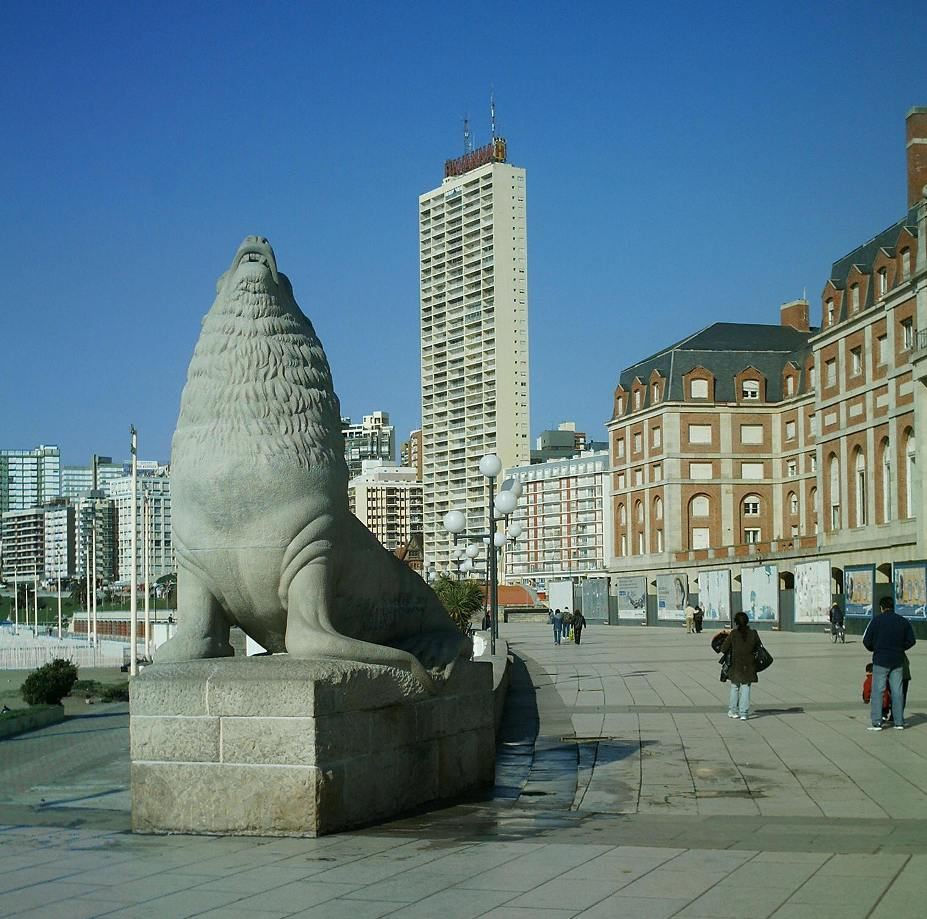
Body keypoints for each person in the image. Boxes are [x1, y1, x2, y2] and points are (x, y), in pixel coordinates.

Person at [862, 596, 916, 730]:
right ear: (893, 606)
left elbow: (867, 641)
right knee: (897, 691)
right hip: (897, 660)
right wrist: (901, 648)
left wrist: (875, 648)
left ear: (881, 607)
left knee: (878, 691)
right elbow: (911, 640)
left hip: (880, 660)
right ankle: (898, 722)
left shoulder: (876, 621)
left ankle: (877, 722)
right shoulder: (902, 621)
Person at [720, 611, 760, 721]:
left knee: (735, 687)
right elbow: (758, 647)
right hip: (749, 665)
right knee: (746, 687)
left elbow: (723, 649)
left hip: (736, 665)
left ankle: (733, 711)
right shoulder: (753, 633)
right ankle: (744, 713)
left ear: (736, 622)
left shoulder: (733, 634)